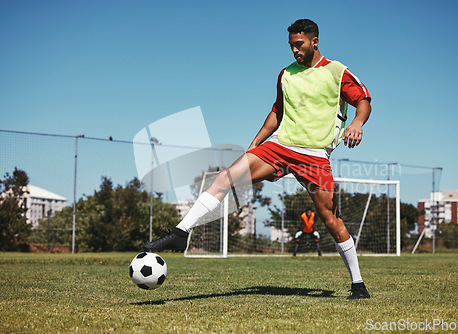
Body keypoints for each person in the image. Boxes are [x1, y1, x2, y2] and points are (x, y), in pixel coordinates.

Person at [144, 18, 372, 300]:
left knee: (329, 219)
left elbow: (363, 100)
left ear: (315, 41)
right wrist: (256, 143)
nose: (294, 51)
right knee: (227, 176)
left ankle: (358, 285)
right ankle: (182, 231)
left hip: (314, 155)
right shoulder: (285, 75)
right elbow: (277, 111)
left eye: (299, 45)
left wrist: (357, 123)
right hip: (281, 145)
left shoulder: (337, 71)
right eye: (291, 46)